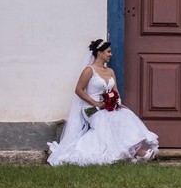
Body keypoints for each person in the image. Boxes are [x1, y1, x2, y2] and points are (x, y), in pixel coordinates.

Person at [47, 38, 159, 166]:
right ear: (100, 53)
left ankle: (135, 151)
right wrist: (95, 102)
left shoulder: (110, 71)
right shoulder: (89, 70)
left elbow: (115, 91)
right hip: (91, 109)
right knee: (107, 119)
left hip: (108, 107)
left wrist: (117, 103)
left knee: (126, 115)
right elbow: (79, 90)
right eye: (108, 52)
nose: (110, 54)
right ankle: (138, 153)